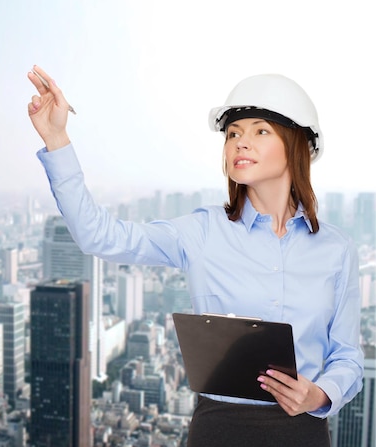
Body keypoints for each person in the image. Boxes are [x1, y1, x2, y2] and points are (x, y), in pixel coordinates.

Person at [26, 65, 364, 447]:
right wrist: (56, 138)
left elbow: (349, 358)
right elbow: (98, 236)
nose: (240, 142)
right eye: (233, 133)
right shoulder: (202, 232)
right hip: (218, 430)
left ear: (298, 144)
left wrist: (319, 395)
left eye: (260, 131)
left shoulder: (336, 249)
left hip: (303, 432)